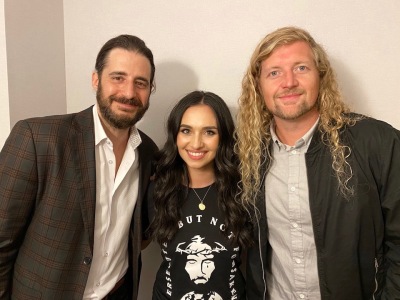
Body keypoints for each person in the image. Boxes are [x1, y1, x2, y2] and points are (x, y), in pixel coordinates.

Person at [235, 26, 400, 299]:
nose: (288, 82)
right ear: (258, 85)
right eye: (274, 72)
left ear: (321, 76)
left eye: (301, 68)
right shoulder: (246, 155)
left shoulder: (377, 143)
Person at [0, 34, 158, 299]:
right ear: (96, 79)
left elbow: (140, 232)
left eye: (140, 83)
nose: (129, 93)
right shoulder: (37, 138)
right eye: (118, 78)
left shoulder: (150, 153)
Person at [144, 91, 253, 299]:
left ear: (223, 137)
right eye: (186, 130)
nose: (196, 143)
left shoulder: (243, 191)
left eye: (209, 132)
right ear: (175, 134)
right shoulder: (158, 189)